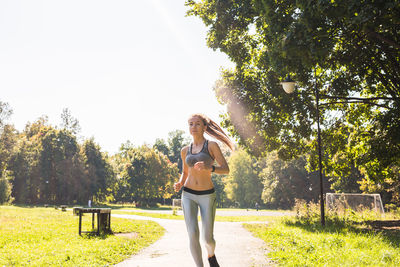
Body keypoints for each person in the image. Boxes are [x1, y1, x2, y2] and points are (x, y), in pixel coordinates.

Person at [174, 113, 234, 267]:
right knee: (193, 234)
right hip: (188, 194)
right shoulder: (185, 150)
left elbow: (226, 169)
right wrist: (180, 183)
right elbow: (185, 172)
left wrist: (210, 167)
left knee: (208, 239)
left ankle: (211, 255)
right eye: (191, 124)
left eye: (197, 124)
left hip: (207, 195)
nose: (193, 127)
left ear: (204, 127)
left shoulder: (212, 146)